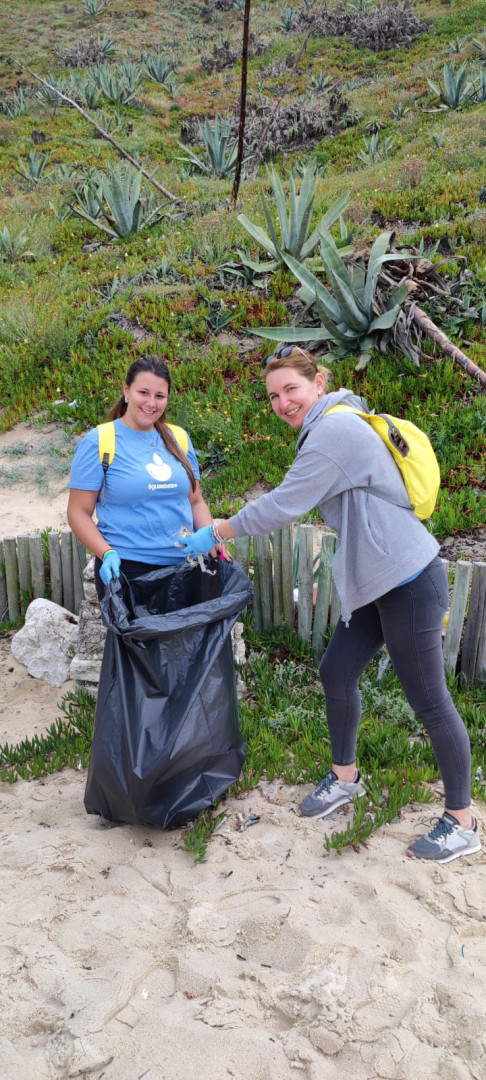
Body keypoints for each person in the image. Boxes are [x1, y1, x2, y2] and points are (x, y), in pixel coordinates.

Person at [180, 345, 480, 864]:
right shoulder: (328, 425)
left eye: (290, 389)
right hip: (376, 580)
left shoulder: (335, 431)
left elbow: (284, 503)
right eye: (273, 395)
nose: (281, 402)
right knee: (336, 670)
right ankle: (346, 779)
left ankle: (462, 821)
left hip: (407, 579)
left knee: (430, 703)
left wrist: (216, 531)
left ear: (318, 382)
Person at [68, 354, 228, 600]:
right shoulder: (99, 441)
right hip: (128, 573)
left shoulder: (180, 439)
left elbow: (195, 501)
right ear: (126, 390)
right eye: (143, 392)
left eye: (159, 396)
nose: (151, 403)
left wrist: (210, 537)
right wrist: (106, 553)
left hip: (186, 567)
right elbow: (78, 512)